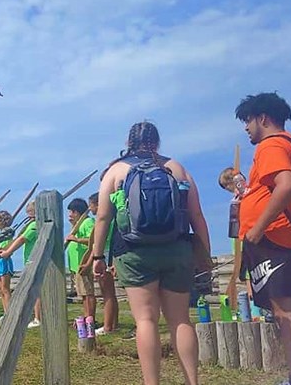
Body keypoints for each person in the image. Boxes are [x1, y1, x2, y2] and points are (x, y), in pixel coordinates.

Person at [88, 121, 209, 385]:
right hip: (176, 249)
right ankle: (193, 382)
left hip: (134, 252)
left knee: (146, 319)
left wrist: (97, 256)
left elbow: (103, 218)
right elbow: (196, 216)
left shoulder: (116, 171)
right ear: (158, 141)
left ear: (128, 141)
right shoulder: (176, 168)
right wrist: (204, 255)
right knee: (180, 320)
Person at [235, 93, 291, 385]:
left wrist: (257, 227)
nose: (246, 128)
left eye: (248, 121)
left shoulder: (272, 145)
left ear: (263, 118)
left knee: (285, 310)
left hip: (276, 239)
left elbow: (287, 186)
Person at [0, 201, 41, 328]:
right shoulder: (32, 224)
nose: (28, 215)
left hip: (34, 260)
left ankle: (38, 318)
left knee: (35, 291)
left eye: (30, 213)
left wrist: (8, 252)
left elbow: (22, 239)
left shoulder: (35, 225)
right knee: (32, 290)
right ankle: (36, 316)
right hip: (30, 260)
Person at [86, 193, 119, 335]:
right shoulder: (113, 219)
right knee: (110, 293)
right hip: (108, 254)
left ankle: (107, 327)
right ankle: (113, 323)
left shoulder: (105, 220)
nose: (90, 208)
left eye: (91, 205)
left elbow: (98, 242)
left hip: (105, 254)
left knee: (107, 293)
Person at [65, 198, 96, 325]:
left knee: (87, 293)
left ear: (78, 212)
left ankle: (90, 320)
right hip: (75, 265)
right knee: (83, 294)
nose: (70, 215)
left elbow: (92, 239)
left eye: (72, 212)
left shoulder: (87, 222)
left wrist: (76, 240)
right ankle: (86, 318)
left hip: (83, 263)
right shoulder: (77, 226)